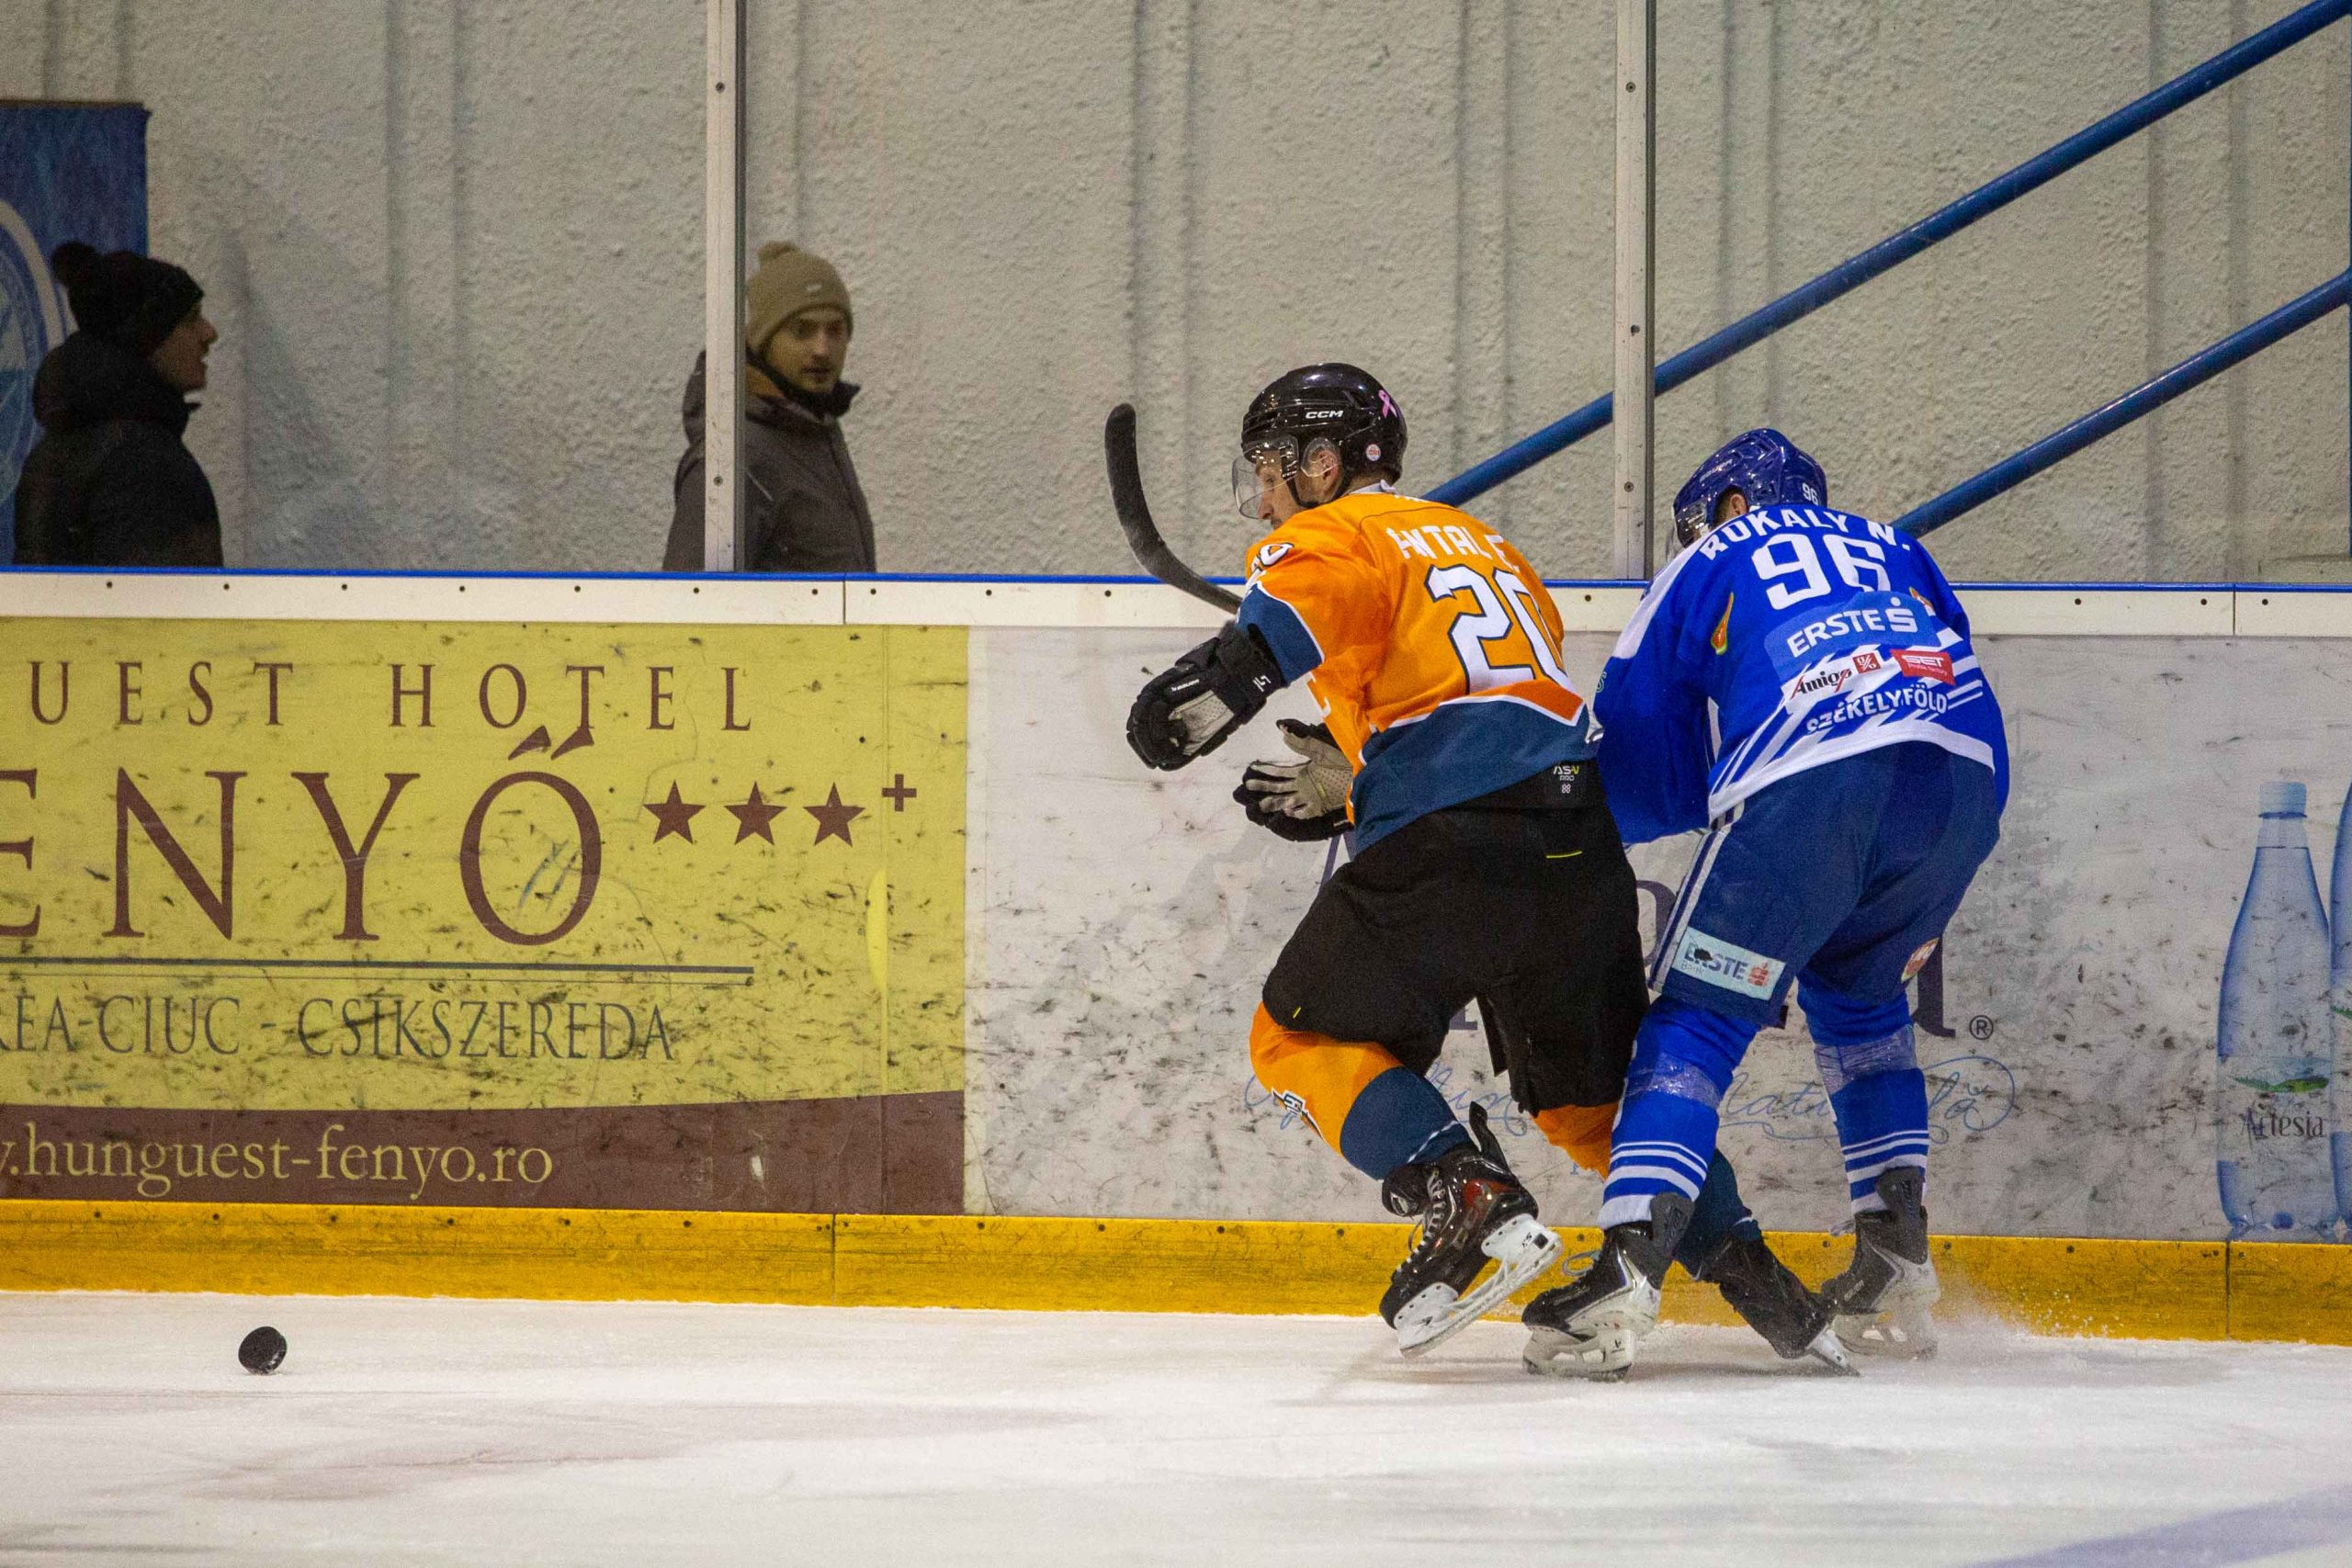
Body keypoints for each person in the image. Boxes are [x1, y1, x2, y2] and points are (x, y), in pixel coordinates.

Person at [1128, 367, 1846, 1371]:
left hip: (1453, 844)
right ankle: (1757, 1276)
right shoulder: (1487, 545)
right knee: (1589, 1107)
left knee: (1294, 1035)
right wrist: (1362, 785)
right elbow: (1484, 706)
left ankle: (1460, 1189)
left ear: (1323, 464)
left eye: (1273, 467)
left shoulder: (1333, 533)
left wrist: (1218, 685)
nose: (1265, 494)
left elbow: (1295, 619)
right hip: (1576, 842)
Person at [1522, 428, 2007, 1375]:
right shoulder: (1896, 544)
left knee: (1695, 1020)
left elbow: (1643, 741)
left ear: (1732, 504)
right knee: (1862, 1002)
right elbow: (1950, 663)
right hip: (1964, 785)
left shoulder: (1713, 553)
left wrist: (1575, 832)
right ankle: (1895, 1258)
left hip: (1814, 776)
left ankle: (1627, 1269)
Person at [666, 241, 876, 574]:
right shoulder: (735, 458)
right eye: (802, 331)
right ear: (764, 341)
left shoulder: (815, 430)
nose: (822, 349)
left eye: (835, 330)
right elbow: (689, 597)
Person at [12, 242, 221, 567]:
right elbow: (163, 598)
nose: (209, 333)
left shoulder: (57, 450)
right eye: (190, 320)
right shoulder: (145, 462)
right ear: (147, 339)